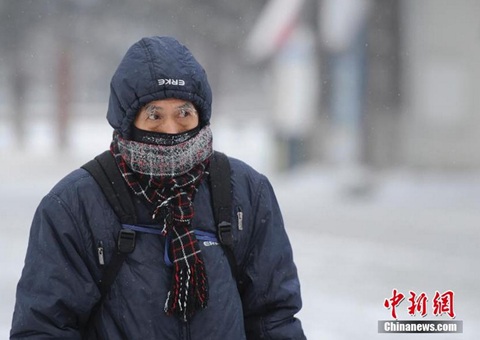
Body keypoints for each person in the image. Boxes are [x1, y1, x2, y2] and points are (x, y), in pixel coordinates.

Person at [10, 36, 306, 339]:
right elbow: (44, 328)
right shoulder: (74, 205)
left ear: (200, 115)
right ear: (127, 119)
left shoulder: (245, 192)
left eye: (183, 113)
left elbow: (274, 320)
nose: (170, 129)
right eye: (154, 115)